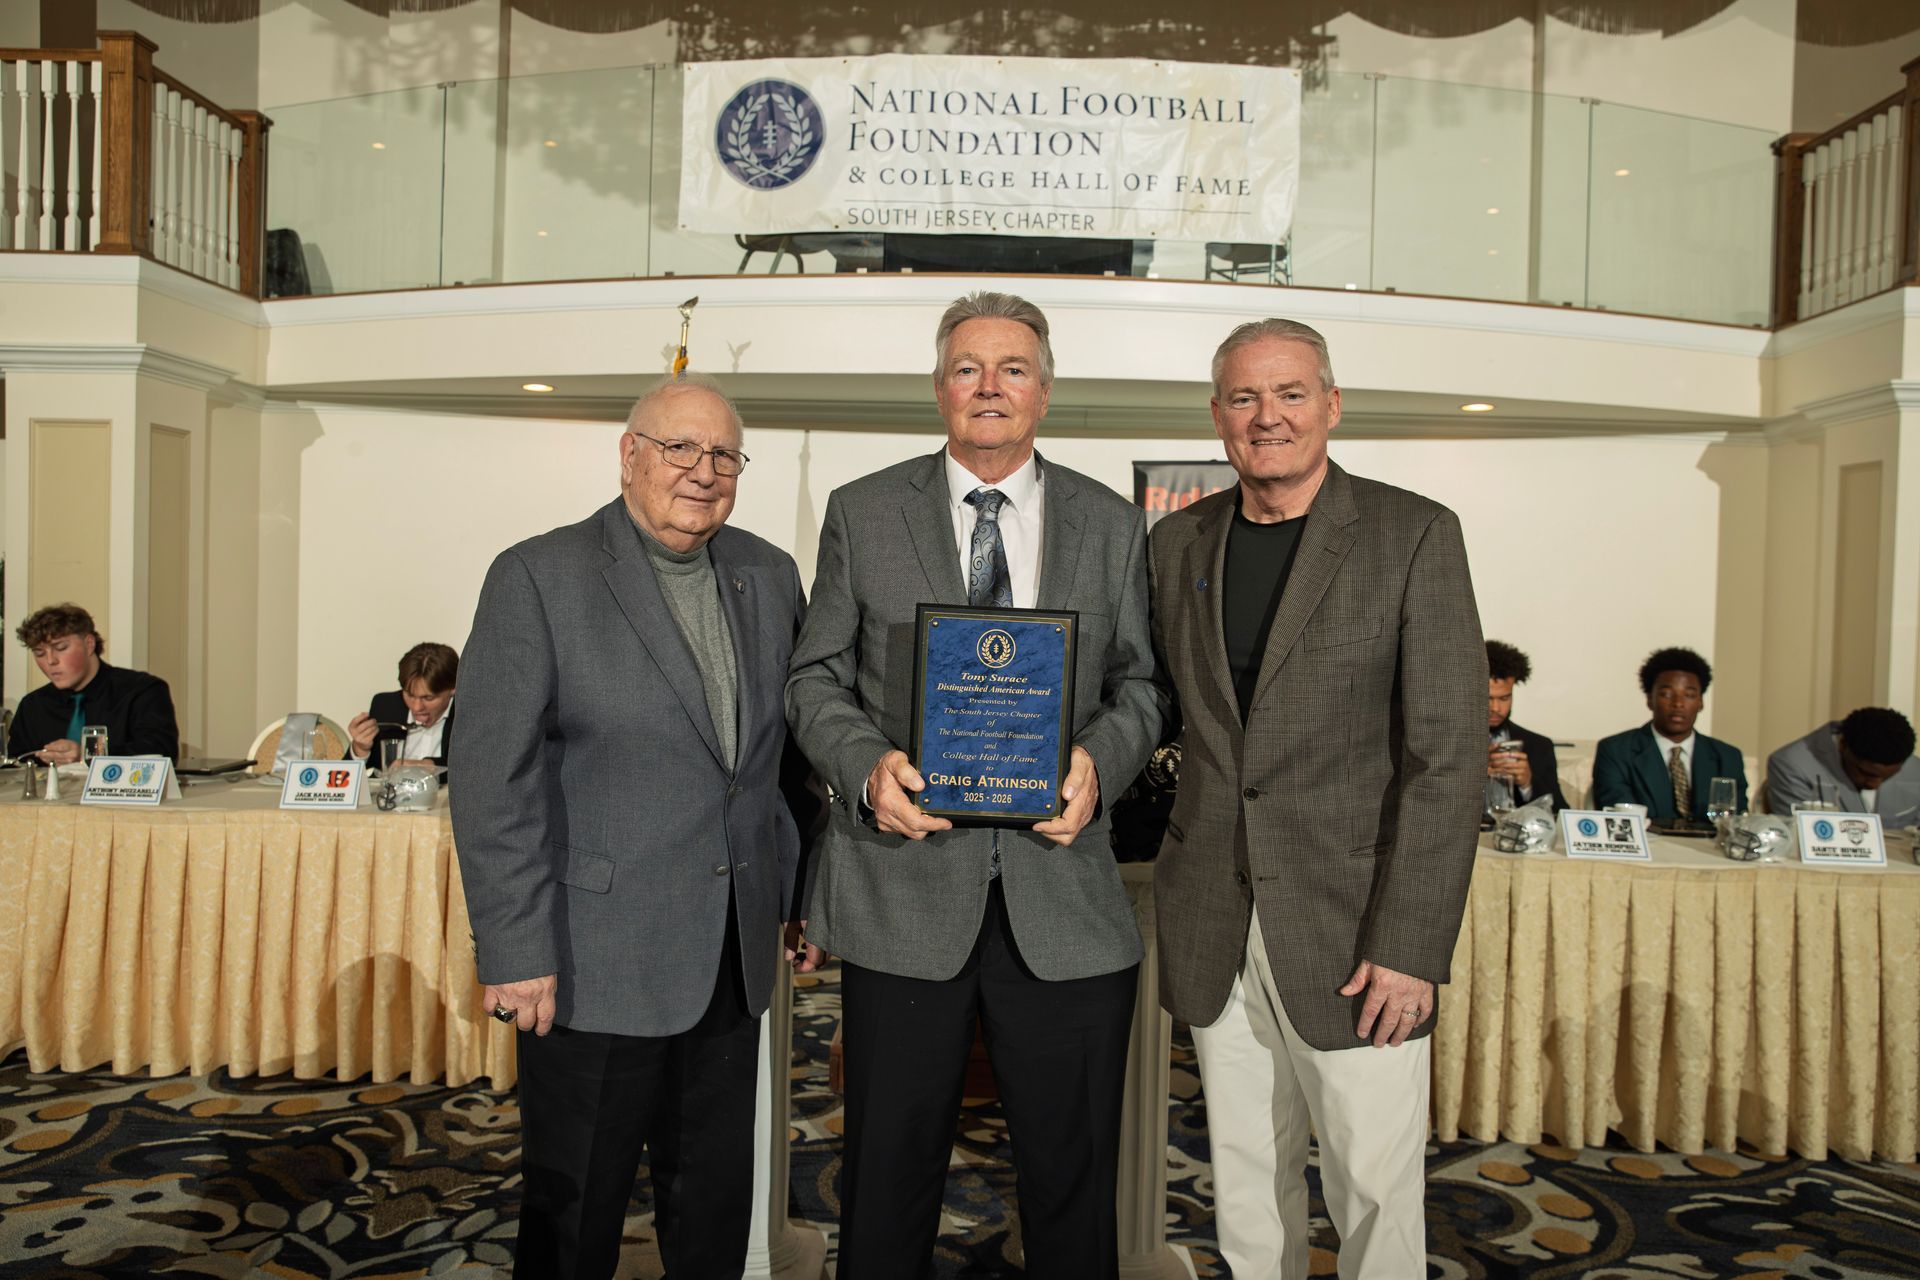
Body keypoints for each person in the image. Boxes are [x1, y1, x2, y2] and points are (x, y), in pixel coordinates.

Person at [785, 291, 1163, 1279]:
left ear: (1045, 389)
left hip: (1063, 890)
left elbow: (1142, 685)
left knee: (1073, 1175)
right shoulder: (864, 512)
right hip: (900, 890)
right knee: (885, 1168)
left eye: (1012, 368)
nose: (990, 385)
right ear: (939, 385)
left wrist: (1099, 762)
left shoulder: (1112, 523)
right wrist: (867, 768)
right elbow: (815, 675)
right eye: (968, 366)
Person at [451, 374, 813, 1280]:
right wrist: (515, 946)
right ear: (629, 455)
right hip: (589, 961)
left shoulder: (769, 574)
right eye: (680, 448)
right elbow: (494, 780)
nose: (704, 472)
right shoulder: (538, 575)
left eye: (724, 454)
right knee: (576, 1211)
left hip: (731, 962)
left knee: (715, 1210)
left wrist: (798, 892)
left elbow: (781, 765)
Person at [1147, 318, 1485, 1279]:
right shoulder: (1178, 543)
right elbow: (1160, 709)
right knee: (1246, 1183)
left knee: (1374, 1191)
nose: (1269, 417)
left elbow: (1449, 761)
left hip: (1356, 936)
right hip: (1215, 909)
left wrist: (1411, 948)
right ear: (1218, 417)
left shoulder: (1413, 534)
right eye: (1246, 398)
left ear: (1331, 405)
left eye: (1291, 393)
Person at [7, 602, 179, 763]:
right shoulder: (33, 705)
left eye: (60, 648)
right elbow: (15, 766)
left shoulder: (142, 691)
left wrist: (88, 754)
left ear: (89, 644)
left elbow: (162, 753)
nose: (50, 661)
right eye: (39, 653)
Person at [1591, 646, 1748, 821]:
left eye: (1689, 695)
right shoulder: (1616, 751)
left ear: (1701, 703)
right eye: (1667, 694)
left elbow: (1735, 821)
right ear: (1650, 700)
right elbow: (1621, 816)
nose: (1678, 703)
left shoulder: (1728, 757)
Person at [1766, 706, 1920, 824]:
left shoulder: (1912, 765)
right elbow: (1800, 833)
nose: (1875, 784)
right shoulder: (1792, 764)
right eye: (1867, 774)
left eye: (1888, 776)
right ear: (1842, 745)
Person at [346, 642, 458, 771]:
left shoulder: (469, 715)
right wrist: (360, 749)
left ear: (453, 688)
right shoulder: (386, 705)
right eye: (409, 695)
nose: (416, 707)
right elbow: (345, 778)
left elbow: (475, 768)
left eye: (428, 698)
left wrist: (431, 766)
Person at [1485, 639, 1568, 814]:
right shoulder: (1449, 742)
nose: (1495, 708)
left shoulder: (1538, 745)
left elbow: (1561, 813)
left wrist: (1527, 783)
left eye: (1504, 698)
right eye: (1487, 698)